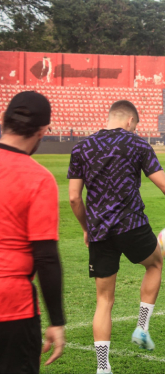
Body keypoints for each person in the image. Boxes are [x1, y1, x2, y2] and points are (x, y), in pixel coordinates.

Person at [68, 100, 165, 374]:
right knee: (155, 264)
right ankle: (141, 327)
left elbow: (73, 198)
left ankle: (103, 368)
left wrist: (86, 228)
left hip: (100, 232)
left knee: (104, 301)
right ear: (130, 121)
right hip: (132, 225)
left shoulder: (81, 148)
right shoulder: (137, 144)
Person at [0, 91, 66, 373]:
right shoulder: (38, 178)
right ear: (43, 131)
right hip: (13, 308)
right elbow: (46, 257)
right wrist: (57, 321)